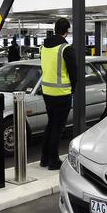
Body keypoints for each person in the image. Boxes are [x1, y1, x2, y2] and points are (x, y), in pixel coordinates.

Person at [40, 18, 77, 170]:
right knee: (57, 127)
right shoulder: (65, 48)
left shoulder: (43, 47)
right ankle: (53, 160)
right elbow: (74, 73)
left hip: (47, 92)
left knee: (50, 124)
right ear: (66, 31)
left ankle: (44, 159)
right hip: (62, 93)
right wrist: (72, 89)